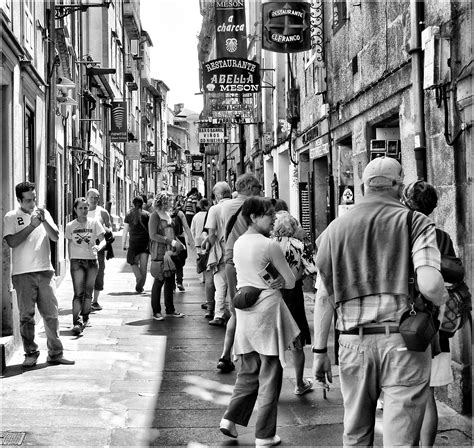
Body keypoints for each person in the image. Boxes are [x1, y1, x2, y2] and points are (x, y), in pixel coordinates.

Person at [312, 157, 447, 446]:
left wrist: (319, 350)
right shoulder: (414, 221)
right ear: (399, 187)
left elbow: (324, 296)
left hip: (352, 343)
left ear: (363, 186)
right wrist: (444, 299)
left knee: (356, 434)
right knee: (401, 440)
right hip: (403, 344)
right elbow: (431, 284)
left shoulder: (335, 230)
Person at [219, 196, 299, 447]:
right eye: (268, 214)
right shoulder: (269, 245)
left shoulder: (240, 242)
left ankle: (230, 420)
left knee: (248, 371)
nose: (273, 218)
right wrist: (281, 279)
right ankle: (264, 435)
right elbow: (291, 281)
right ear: (254, 217)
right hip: (266, 311)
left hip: (245, 311)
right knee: (270, 374)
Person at [401, 180, 459, 447]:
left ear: (406, 201)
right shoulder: (443, 237)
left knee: (403, 395)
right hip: (434, 324)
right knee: (428, 394)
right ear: (434, 207)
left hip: (405, 324)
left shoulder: (401, 231)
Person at [3, 181, 74, 367]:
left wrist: (43, 221)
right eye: (28, 200)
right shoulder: (11, 217)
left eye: (34, 198)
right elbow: (11, 242)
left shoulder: (43, 213)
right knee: (26, 316)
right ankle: (31, 353)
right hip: (23, 273)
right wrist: (32, 226)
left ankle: (56, 353)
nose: (32, 203)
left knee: (51, 314)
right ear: (19, 200)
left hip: (45, 270)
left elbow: (55, 236)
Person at [216, 173, 262, 372]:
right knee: (255, 306)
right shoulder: (257, 206)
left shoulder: (225, 206)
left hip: (230, 258)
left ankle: (226, 355)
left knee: (236, 308)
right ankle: (247, 354)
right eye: (258, 187)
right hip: (251, 258)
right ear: (250, 188)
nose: (260, 190)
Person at [272, 208, 315, 395]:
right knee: (297, 340)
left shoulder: (269, 244)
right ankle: (299, 383)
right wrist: (299, 274)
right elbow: (312, 268)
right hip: (293, 293)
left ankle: (273, 387)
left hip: (273, 294)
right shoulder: (299, 245)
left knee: (275, 341)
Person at [65, 197, 106, 335]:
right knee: (78, 293)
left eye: (85, 208)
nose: (83, 210)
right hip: (77, 261)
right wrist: (70, 259)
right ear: (75, 209)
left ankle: (86, 317)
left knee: (88, 292)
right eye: (81, 208)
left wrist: (98, 247)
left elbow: (103, 240)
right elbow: (69, 243)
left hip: (92, 261)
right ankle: (76, 321)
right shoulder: (70, 225)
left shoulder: (94, 223)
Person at [148, 192, 186, 320]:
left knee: (170, 281)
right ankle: (156, 311)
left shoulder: (168, 215)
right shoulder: (154, 216)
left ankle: (170, 309)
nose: (171, 203)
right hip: (159, 251)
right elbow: (153, 235)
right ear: (162, 202)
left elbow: (172, 233)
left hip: (171, 252)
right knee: (159, 281)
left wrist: (178, 243)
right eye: (169, 200)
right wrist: (171, 242)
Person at [202, 182, 233, 326]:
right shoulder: (237, 206)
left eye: (215, 195)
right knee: (236, 283)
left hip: (221, 251)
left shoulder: (214, 209)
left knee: (220, 284)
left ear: (219, 195)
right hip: (237, 250)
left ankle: (219, 314)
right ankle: (236, 313)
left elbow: (212, 234)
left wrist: (206, 246)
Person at [86, 188, 112, 311]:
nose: (94, 200)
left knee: (99, 271)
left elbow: (109, 228)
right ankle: (86, 299)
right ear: (87, 197)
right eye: (91, 197)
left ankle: (95, 301)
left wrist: (104, 231)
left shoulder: (103, 212)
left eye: (96, 197)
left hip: (98, 246)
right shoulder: (82, 210)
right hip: (84, 245)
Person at [123, 196, 151, 293]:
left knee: (133, 262)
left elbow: (125, 231)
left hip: (134, 243)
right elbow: (151, 230)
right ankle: (140, 286)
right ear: (143, 204)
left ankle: (138, 277)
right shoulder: (147, 215)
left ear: (133, 203)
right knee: (144, 266)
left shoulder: (128, 214)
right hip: (145, 243)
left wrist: (124, 243)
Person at [170, 195, 195, 292]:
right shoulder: (180, 213)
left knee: (171, 261)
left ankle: (172, 285)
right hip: (180, 239)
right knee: (180, 263)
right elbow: (186, 227)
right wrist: (191, 240)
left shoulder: (165, 213)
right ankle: (179, 282)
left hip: (170, 240)